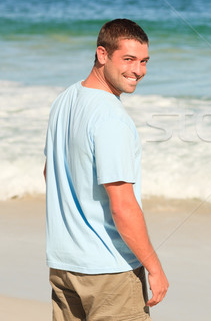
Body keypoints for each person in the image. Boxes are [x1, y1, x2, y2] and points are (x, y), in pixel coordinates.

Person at [43, 19, 168, 320]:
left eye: (144, 61)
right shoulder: (111, 118)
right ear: (102, 55)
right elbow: (123, 205)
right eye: (128, 59)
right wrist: (154, 267)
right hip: (108, 272)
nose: (138, 71)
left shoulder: (65, 100)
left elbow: (50, 173)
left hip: (64, 266)